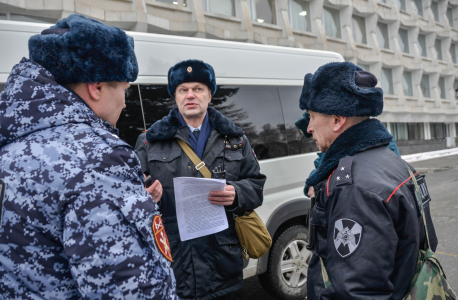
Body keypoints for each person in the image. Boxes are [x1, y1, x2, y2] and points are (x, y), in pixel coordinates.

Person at [0, 14, 177, 299]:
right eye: (123, 88)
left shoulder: (11, 137)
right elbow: (133, 289)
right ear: (96, 87)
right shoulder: (99, 158)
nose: (124, 101)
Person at [299, 62, 438, 299]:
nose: (309, 127)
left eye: (312, 117)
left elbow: (358, 292)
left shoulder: (354, 188)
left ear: (337, 120)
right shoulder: (393, 162)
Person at [135, 59, 266, 300]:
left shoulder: (236, 139)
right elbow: (130, 198)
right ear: (175, 96)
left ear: (210, 95)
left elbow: (256, 187)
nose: (190, 95)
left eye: (198, 89)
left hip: (222, 264)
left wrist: (236, 193)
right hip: (174, 263)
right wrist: (145, 199)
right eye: (183, 90)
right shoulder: (148, 141)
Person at [295, 111, 401, 198]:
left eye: (312, 118)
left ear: (337, 121)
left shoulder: (374, 146)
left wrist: (319, 187)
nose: (309, 130)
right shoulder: (335, 151)